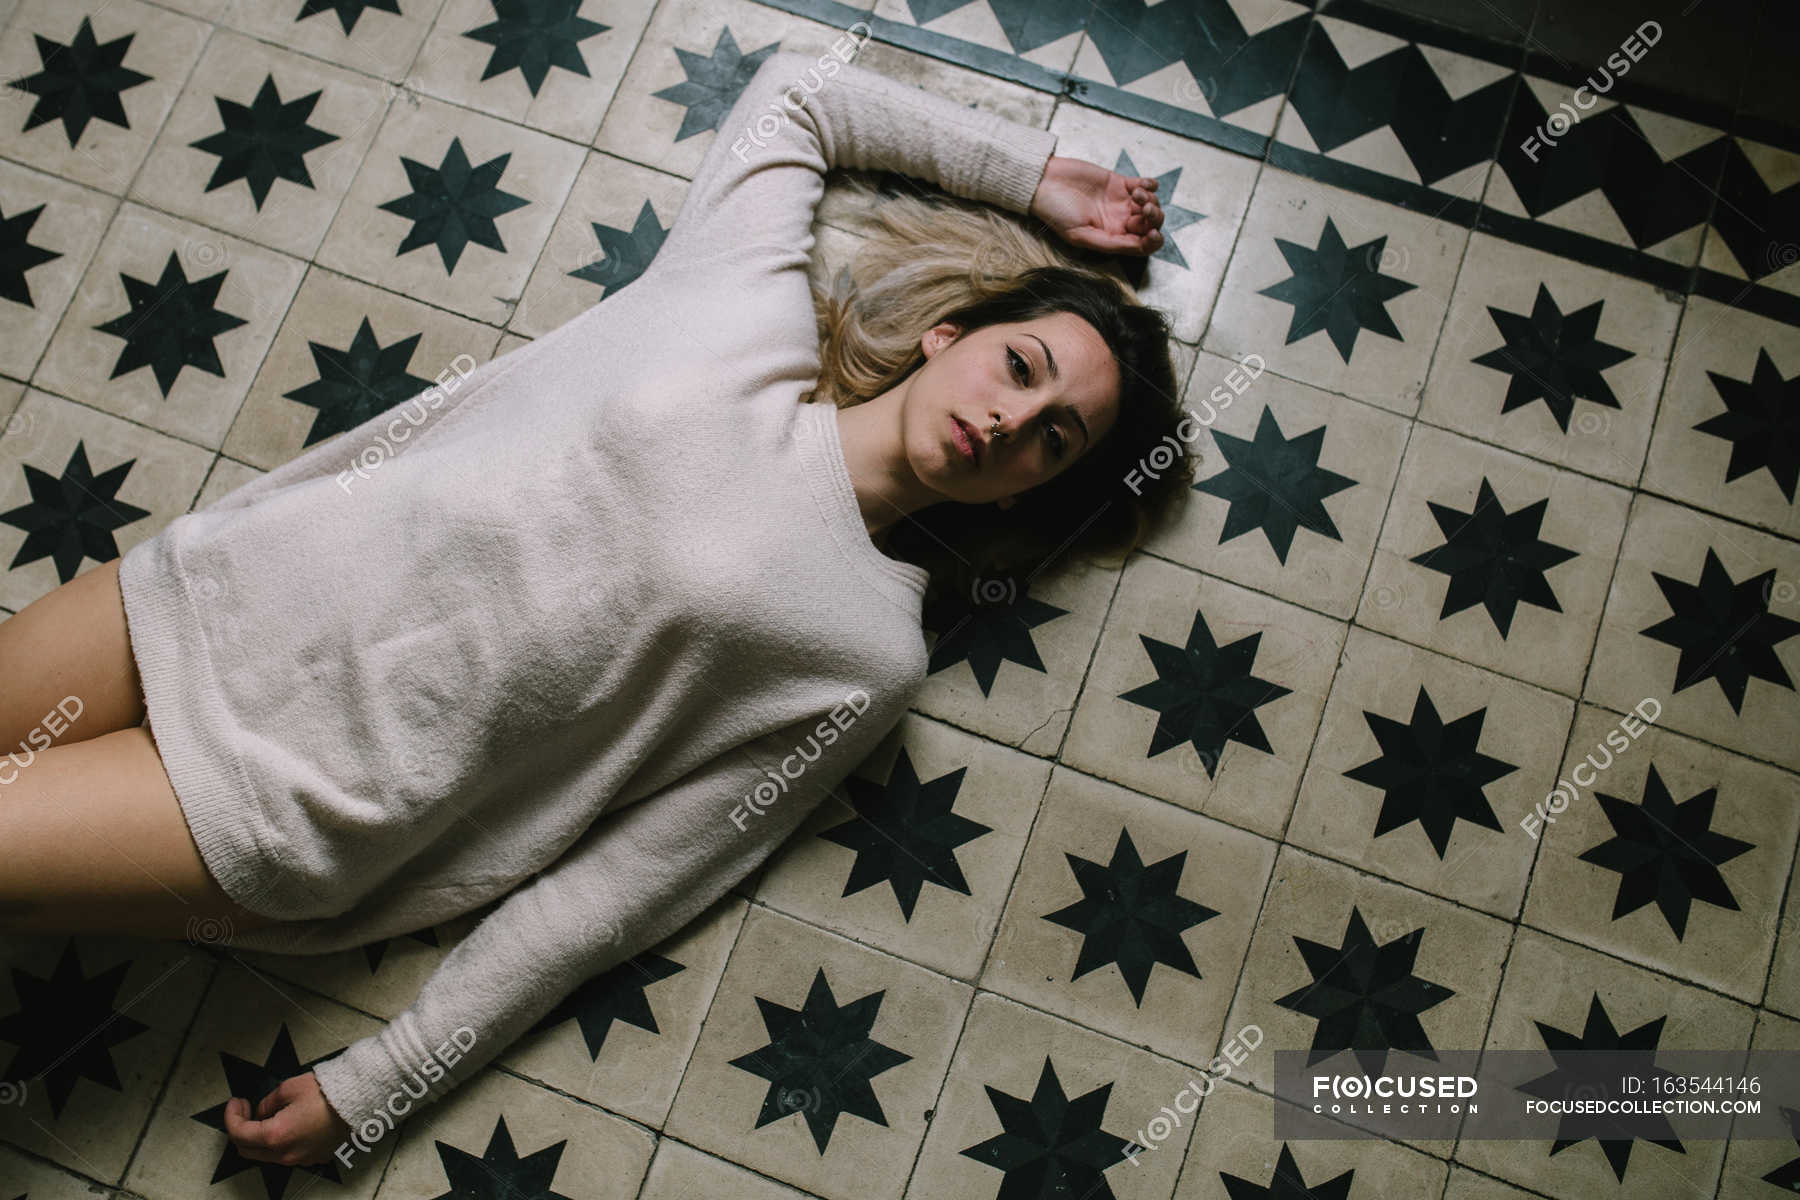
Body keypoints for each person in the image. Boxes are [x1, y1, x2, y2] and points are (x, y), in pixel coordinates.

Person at [0, 49, 1188, 1168]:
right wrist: (1039, 179)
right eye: (1021, 369)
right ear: (953, 332)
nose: (1011, 422)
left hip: (291, 796)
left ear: (1041, 488)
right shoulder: (742, 302)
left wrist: (393, 1075)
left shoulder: (868, 651)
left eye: (1055, 441)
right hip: (208, 596)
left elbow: (618, 889)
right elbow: (802, 97)